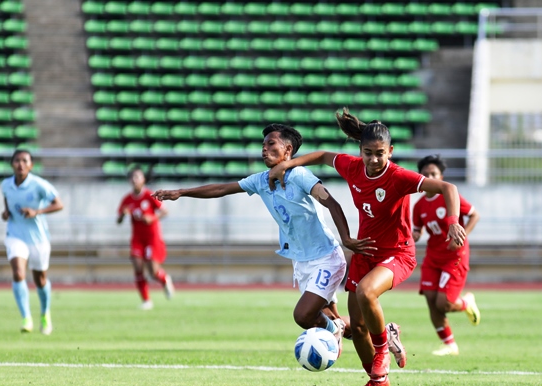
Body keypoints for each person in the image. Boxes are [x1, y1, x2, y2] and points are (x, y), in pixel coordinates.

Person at [268, 108, 467, 386]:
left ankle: (383, 349)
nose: (374, 160)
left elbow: (448, 188)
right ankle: (377, 380)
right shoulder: (352, 167)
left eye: (380, 153)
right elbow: (324, 156)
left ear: (391, 151)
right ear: (360, 151)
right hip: (365, 251)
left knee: (365, 291)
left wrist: (451, 222)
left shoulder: (399, 177)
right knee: (358, 328)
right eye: (368, 153)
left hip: (398, 253)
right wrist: (287, 166)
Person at [152, 124, 375, 354]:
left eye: (271, 144)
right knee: (330, 320)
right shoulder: (260, 180)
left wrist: (346, 238)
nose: (264, 149)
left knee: (303, 315)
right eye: (263, 145)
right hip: (301, 263)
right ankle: (384, 333)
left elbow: (331, 202)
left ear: (288, 150)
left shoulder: (299, 175)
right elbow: (221, 188)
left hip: (325, 257)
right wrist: (181, 192)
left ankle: (334, 331)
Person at [412, 155, 481, 357]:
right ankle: (449, 344)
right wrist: (415, 234)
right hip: (433, 257)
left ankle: (466, 302)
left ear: (440, 176)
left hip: (454, 256)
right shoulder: (419, 206)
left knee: (444, 303)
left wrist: (461, 235)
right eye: (425, 174)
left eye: (433, 174)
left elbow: (475, 215)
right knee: (431, 300)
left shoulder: (450, 196)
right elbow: (419, 230)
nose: (430, 177)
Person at [1, 149, 64, 334]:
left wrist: (37, 212)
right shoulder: (5, 185)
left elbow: (59, 204)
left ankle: (45, 314)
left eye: (24, 161)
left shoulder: (38, 185)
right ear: (12, 164)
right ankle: (26, 317)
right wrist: (6, 213)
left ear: (31, 165)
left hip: (38, 239)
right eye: (17, 160)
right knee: (18, 273)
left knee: (40, 279)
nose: (20, 164)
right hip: (15, 235)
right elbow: (7, 202)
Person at [117, 166, 174, 310]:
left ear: (143, 180)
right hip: (137, 238)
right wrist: (123, 215)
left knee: (153, 271)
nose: (135, 180)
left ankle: (164, 278)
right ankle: (146, 300)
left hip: (151, 237)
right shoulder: (127, 199)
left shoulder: (150, 196)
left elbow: (165, 211)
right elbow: (118, 220)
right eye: (133, 177)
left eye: (138, 177)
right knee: (137, 266)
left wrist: (152, 218)